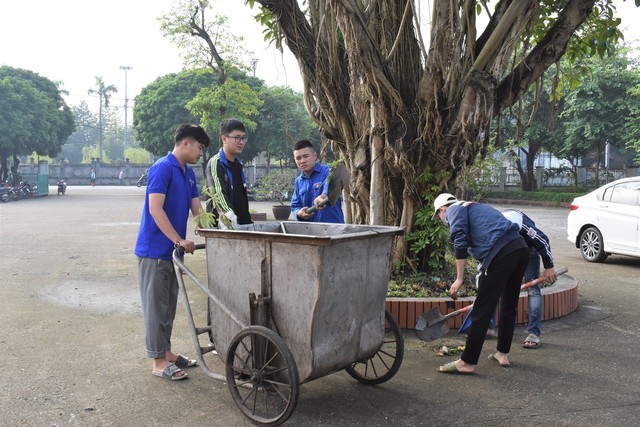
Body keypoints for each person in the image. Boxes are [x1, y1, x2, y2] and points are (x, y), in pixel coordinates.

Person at [134, 124, 210, 381]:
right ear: (186, 143)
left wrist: (218, 232)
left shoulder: (188, 173)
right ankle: (157, 361)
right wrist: (178, 239)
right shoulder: (162, 168)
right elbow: (155, 209)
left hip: (172, 253)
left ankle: (166, 352)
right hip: (154, 251)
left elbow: (198, 210)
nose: (201, 153)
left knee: (168, 307)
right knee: (156, 307)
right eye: (199, 147)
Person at [433, 193, 529, 374]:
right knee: (509, 305)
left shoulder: (453, 209)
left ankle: (467, 362)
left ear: (442, 210)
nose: (442, 220)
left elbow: (459, 241)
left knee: (482, 311)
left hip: (501, 254)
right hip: (519, 248)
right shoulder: (475, 207)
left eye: (439, 216)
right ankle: (502, 354)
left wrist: (459, 278)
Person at [501, 209, 557, 349]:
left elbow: (543, 241)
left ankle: (533, 333)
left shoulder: (524, 227)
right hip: (506, 252)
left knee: (533, 290)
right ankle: (488, 328)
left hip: (529, 250)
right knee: (496, 287)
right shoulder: (496, 228)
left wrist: (549, 267)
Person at [206, 118, 253, 228]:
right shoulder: (216, 163)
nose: (241, 142)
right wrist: (230, 216)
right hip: (224, 227)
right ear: (224, 139)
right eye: (237, 138)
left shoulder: (238, 164)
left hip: (242, 227)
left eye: (243, 138)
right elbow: (218, 194)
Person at [290, 139, 345, 223]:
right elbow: (295, 205)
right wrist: (298, 212)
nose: (302, 161)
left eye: (306, 156)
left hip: (333, 229)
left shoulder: (328, 172)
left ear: (314, 155)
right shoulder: (298, 181)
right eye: (298, 158)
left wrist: (324, 196)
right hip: (311, 231)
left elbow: (331, 185)